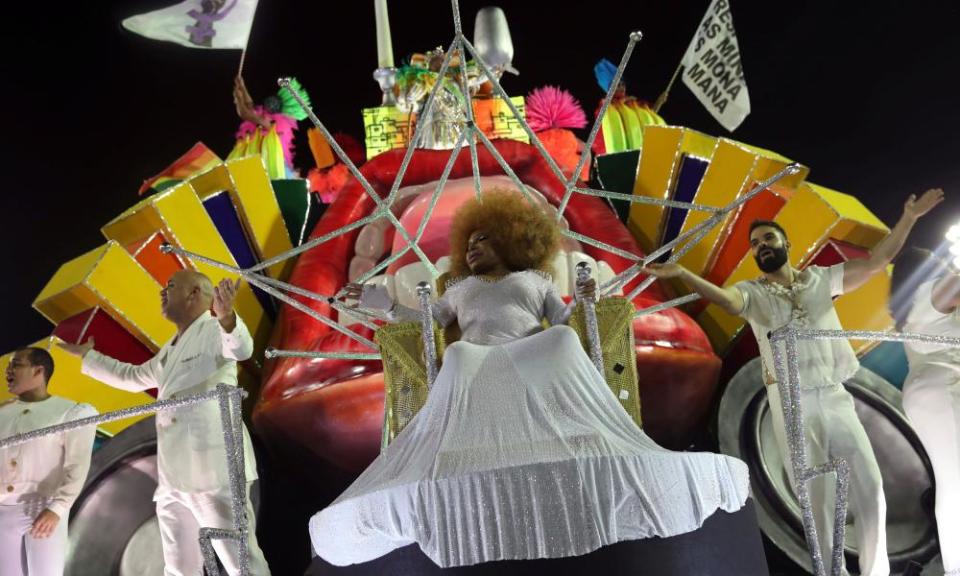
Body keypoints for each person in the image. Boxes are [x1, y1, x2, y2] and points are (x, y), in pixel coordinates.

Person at [309, 189, 750, 568]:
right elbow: (423, 321)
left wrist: (585, 300)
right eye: (469, 243)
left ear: (509, 239)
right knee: (458, 354)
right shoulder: (459, 289)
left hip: (536, 354)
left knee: (558, 339)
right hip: (478, 360)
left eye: (483, 239)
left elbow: (565, 320)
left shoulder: (534, 281)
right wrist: (377, 301)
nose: (472, 249)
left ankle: (579, 430)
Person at [643, 188, 944, 576]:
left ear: (785, 242)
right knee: (819, 506)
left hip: (836, 398)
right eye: (754, 245)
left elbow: (877, 260)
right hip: (792, 405)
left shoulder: (820, 280)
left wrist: (910, 216)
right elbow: (729, 301)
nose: (761, 247)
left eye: (767, 238)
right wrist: (684, 275)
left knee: (871, 491)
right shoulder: (753, 293)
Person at [58, 270, 271, 576]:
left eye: (170, 285)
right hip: (174, 478)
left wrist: (227, 319)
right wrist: (89, 357)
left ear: (195, 294)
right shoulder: (170, 350)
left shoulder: (213, 329)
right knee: (177, 568)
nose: (162, 291)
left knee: (241, 562)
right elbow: (131, 377)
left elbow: (240, 348)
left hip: (213, 469)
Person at [0, 347, 97, 576]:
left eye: (16, 364)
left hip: (43, 507)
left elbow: (77, 466)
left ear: (38, 370)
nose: (8, 370)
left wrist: (58, 508)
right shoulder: (2, 412)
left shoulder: (71, 412)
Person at [895, 249, 960, 576]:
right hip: (945, 383)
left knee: (953, 478)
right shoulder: (930, 290)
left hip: (929, 388)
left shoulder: (914, 306)